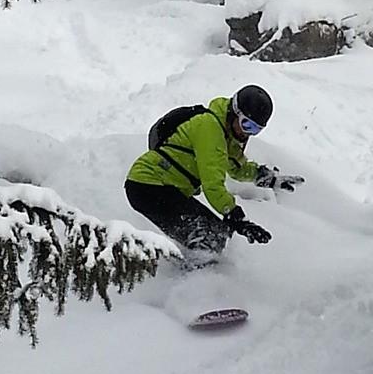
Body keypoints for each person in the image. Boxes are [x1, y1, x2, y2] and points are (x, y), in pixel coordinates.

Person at [124, 85, 304, 256]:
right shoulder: (210, 128)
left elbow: (237, 168)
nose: (247, 133)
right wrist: (235, 216)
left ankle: (193, 271)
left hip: (161, 187)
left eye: (255, 129)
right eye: (246, 125)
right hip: (148, 185)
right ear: (235, 112)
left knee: (215, 235)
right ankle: (196, 281)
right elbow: (213, 184)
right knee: (211, 236)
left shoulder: (226, 134)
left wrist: (268, 178)